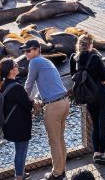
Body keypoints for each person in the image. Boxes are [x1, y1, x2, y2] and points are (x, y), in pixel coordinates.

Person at [22, 39, 69, 180]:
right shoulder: (46, 61)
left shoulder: (34, 62)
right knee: (60, 139)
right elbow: (47, 85)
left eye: (28, 50)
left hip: (54, 106)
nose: (26, 53)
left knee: (54, 141)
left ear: (37, 50)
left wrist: (23, 101)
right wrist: (37, 97)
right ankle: (62, 170)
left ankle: (56, 174)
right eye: (25, 51)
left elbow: (28, 84)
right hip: (65, 102)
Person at [70, 34, 105, 165]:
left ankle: (96, 153)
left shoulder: (74, 59)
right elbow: (104, 76)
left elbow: (73, 76)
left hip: (88, 96)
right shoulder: (95, 57)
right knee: (103, 124)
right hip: (102, 93)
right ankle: (102, 153)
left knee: (95, 124)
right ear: (90, 45)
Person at [0, 58, 33, 180]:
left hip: (10, 125)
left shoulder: (2, 86)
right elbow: (28, 105)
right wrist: (34, 102)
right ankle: (19, 176)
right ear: (11, 71)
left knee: (18, 150)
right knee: (21, 151)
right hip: (20, 126)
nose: (18, 67)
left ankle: (20, 172)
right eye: (15, 65)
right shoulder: (17, 87)